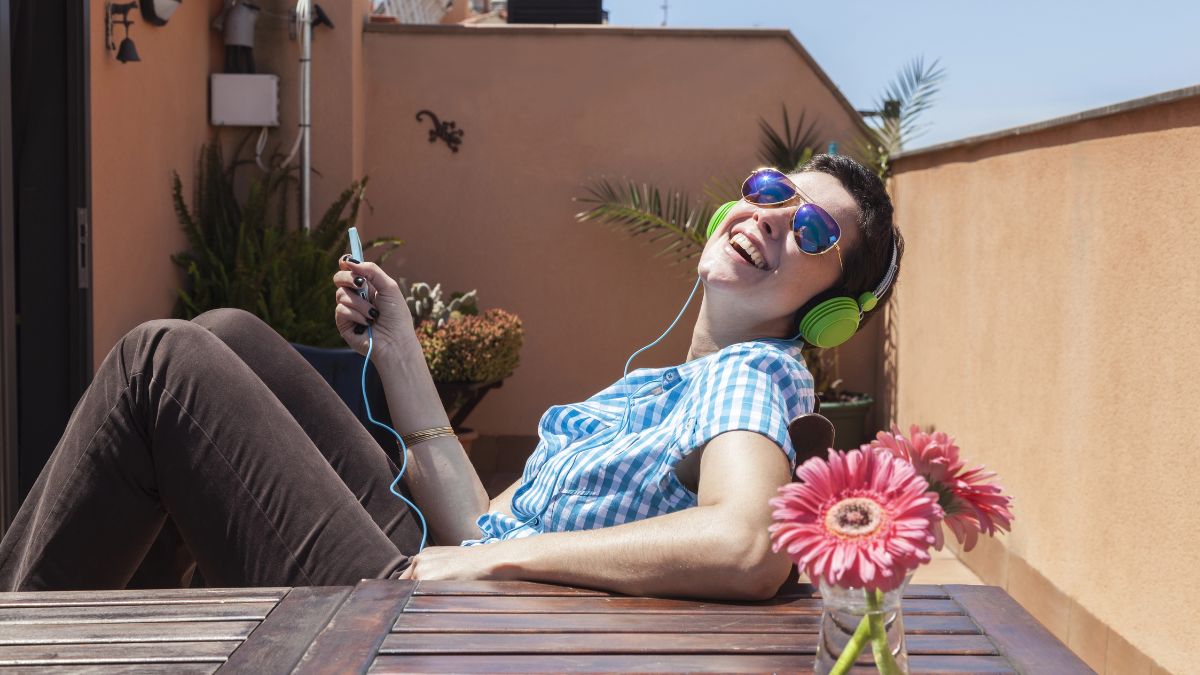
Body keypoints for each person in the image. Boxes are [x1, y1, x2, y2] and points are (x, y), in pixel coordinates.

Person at [0, 154, 901, 599]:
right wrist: (397, 349)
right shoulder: (668, 384)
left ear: (829, 313)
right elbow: (477, 517)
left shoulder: (748, 375)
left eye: (815, 232)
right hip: (450, 574)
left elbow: (746, 544)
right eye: (774, 190)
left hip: (417, 626)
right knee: (225, 331)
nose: (775, 217)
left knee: (165, 364)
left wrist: (495, 562)